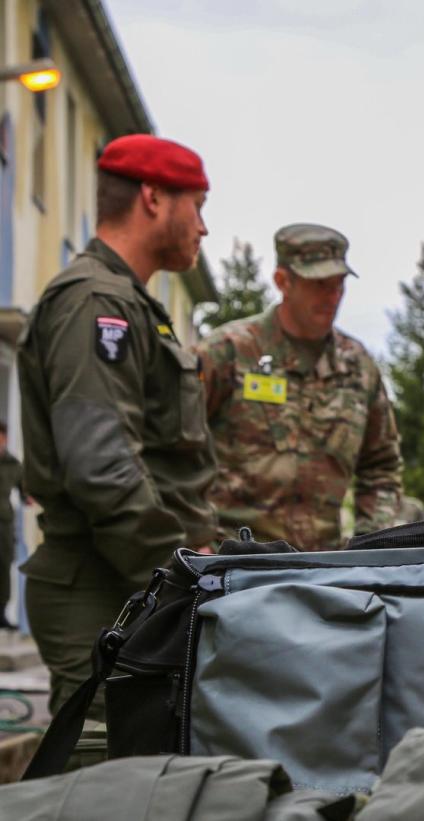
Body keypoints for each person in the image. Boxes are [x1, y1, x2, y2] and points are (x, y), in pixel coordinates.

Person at [18, 134, 216, 716]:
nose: (203, 227)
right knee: (110, 765)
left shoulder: (126, 300)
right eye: (197, 206)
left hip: (131, 586)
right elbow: (102, 468)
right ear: (153, 197)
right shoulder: (98, 302)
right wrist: (181, 572)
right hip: (108, 592)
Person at [197, 224, 402, 551]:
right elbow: (170, 447)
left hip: (320, 566)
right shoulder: (227, 353)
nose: (332, 296)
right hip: (232, 561)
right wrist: (194, 538)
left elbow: (381, 468)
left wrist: (370, 546)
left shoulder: (358, 367)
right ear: (283, 281)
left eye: (339, 283)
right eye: (319, 284)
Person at [0, 421, 26, 631]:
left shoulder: (12, 464)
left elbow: (25, 490)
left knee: (3, 566)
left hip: (4, 523)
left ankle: (1, 613)